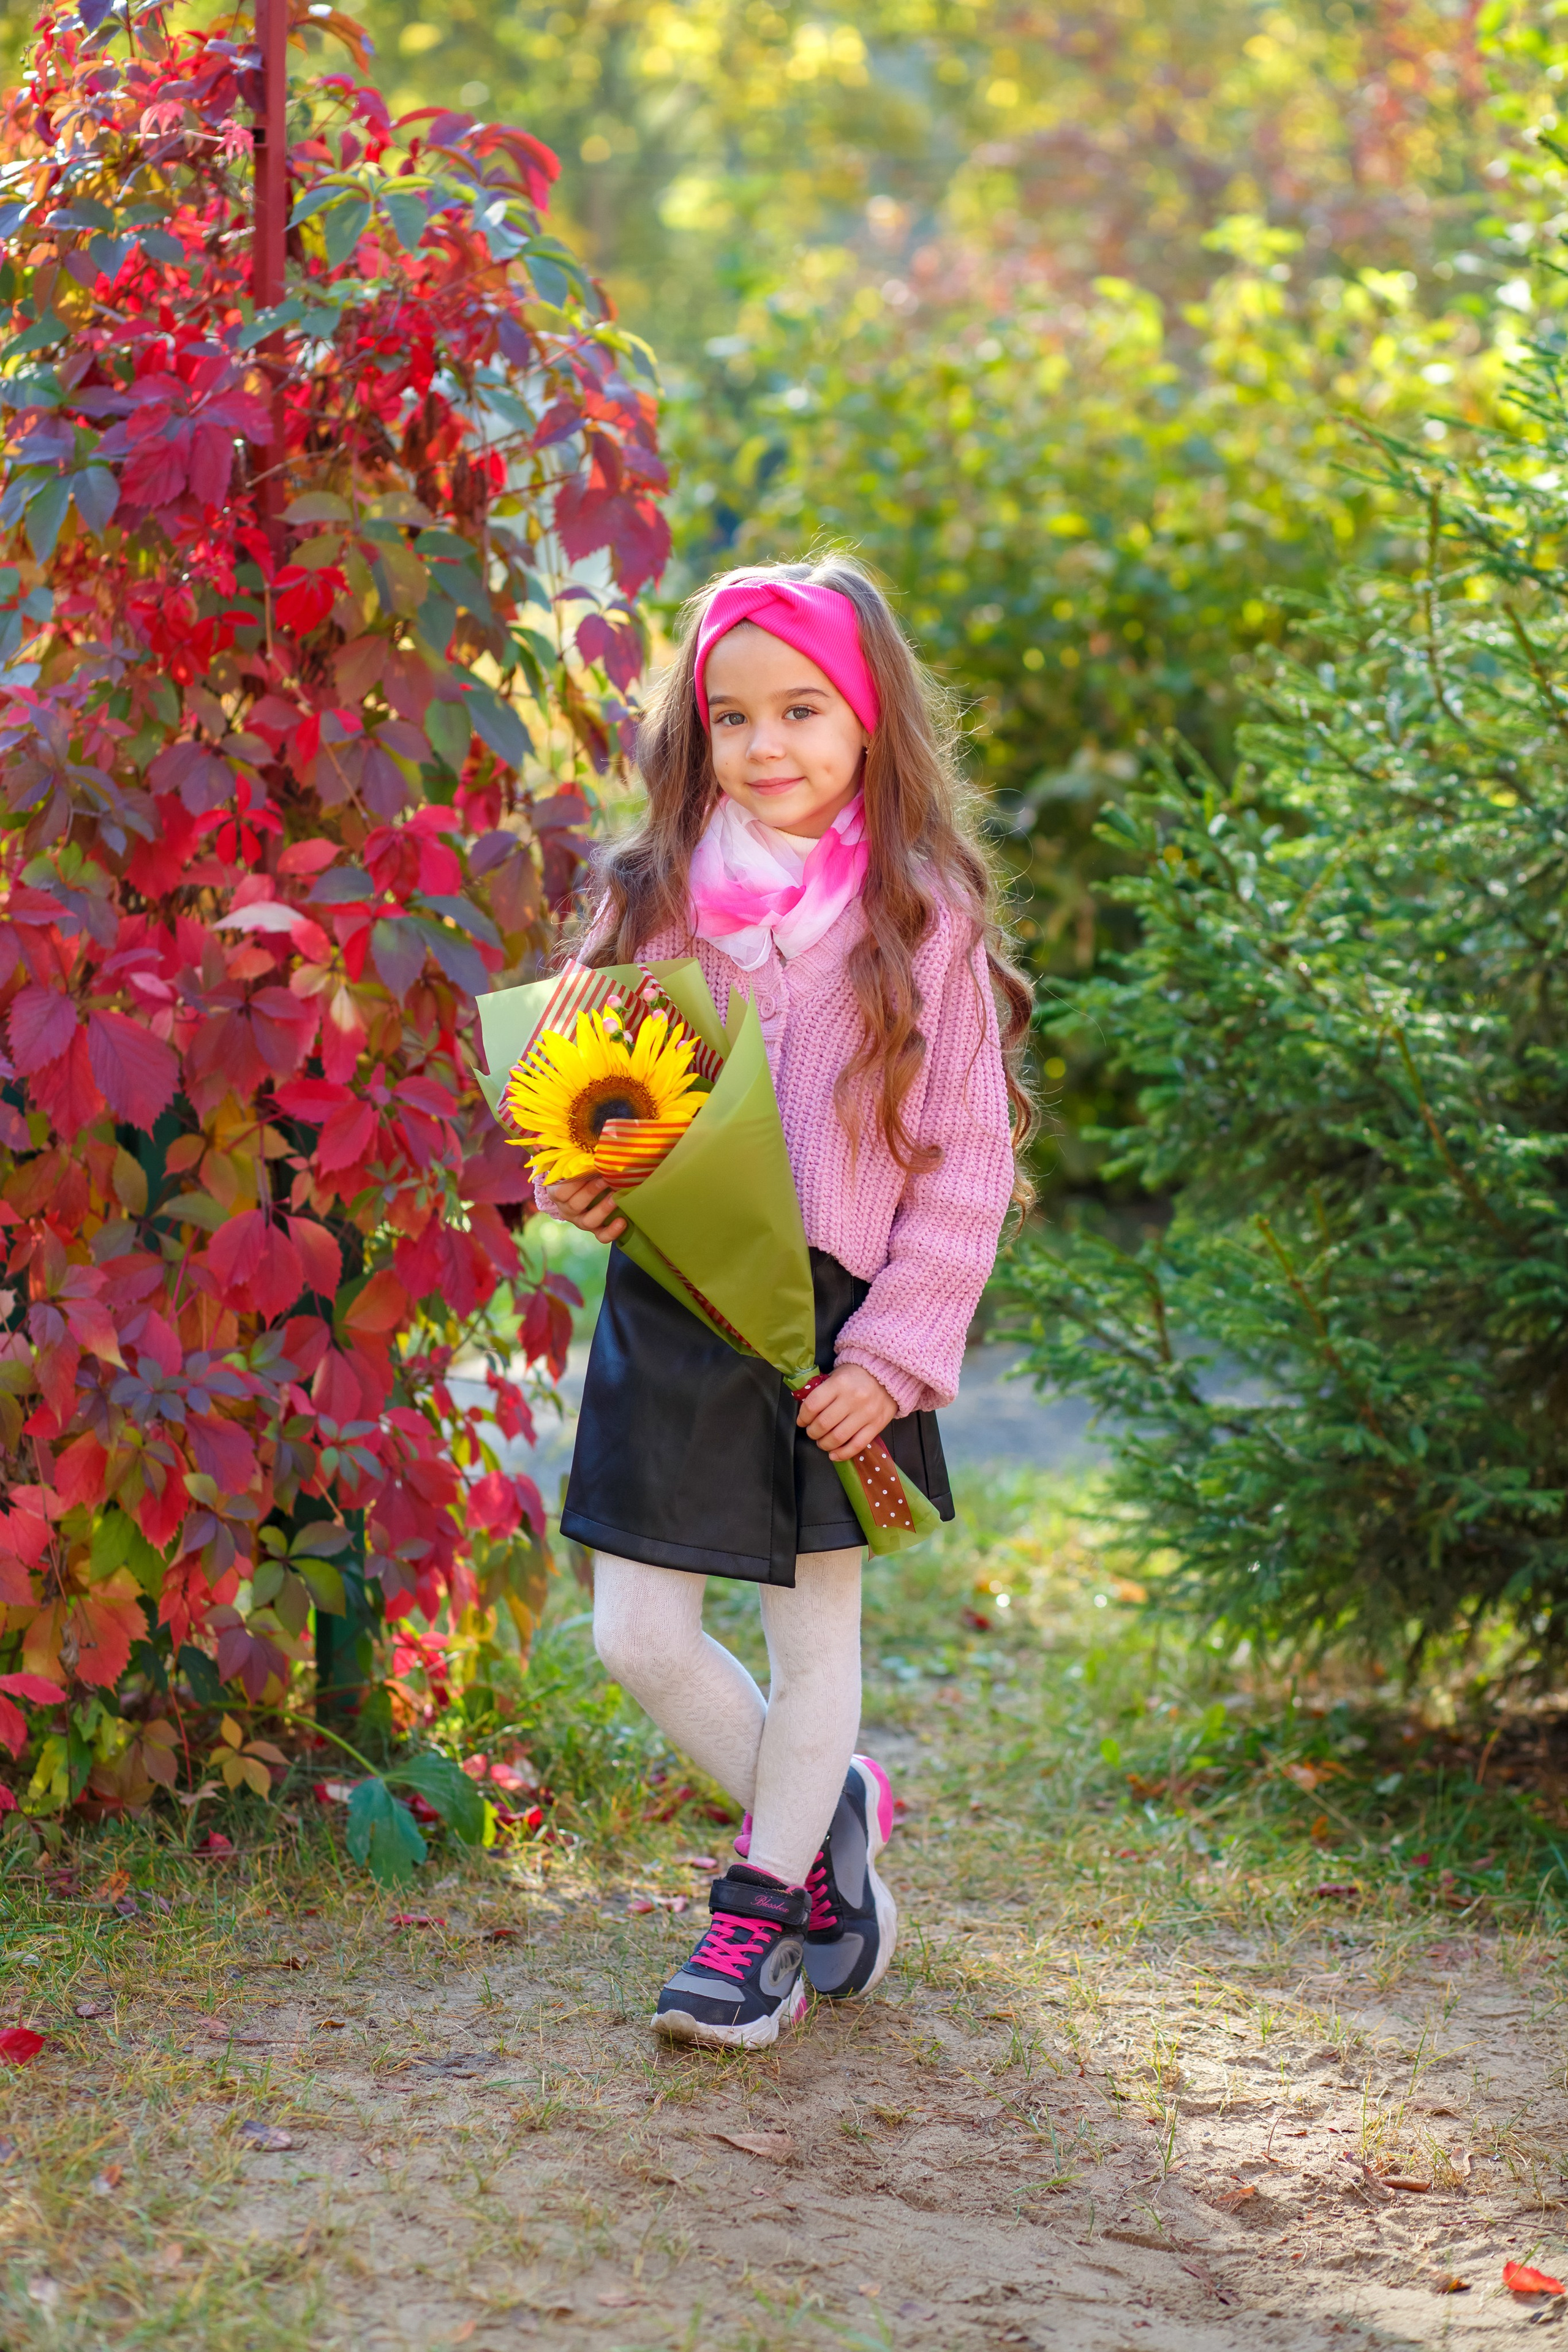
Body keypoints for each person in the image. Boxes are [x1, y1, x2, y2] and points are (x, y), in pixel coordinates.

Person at [538, 556, 1034, 2049]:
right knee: (635, 1634)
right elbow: (588, 1099)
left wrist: (892, 1355)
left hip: (838, 1323)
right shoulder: (653, 901)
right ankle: (831, 1811)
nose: (768, 746)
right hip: (677, 1298)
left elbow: (965, 1163)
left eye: (802, 709)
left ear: (868, 716)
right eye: (733, 715)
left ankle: (758, 1910)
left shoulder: (919, 913)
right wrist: (584, 1176)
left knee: (812, 1635)